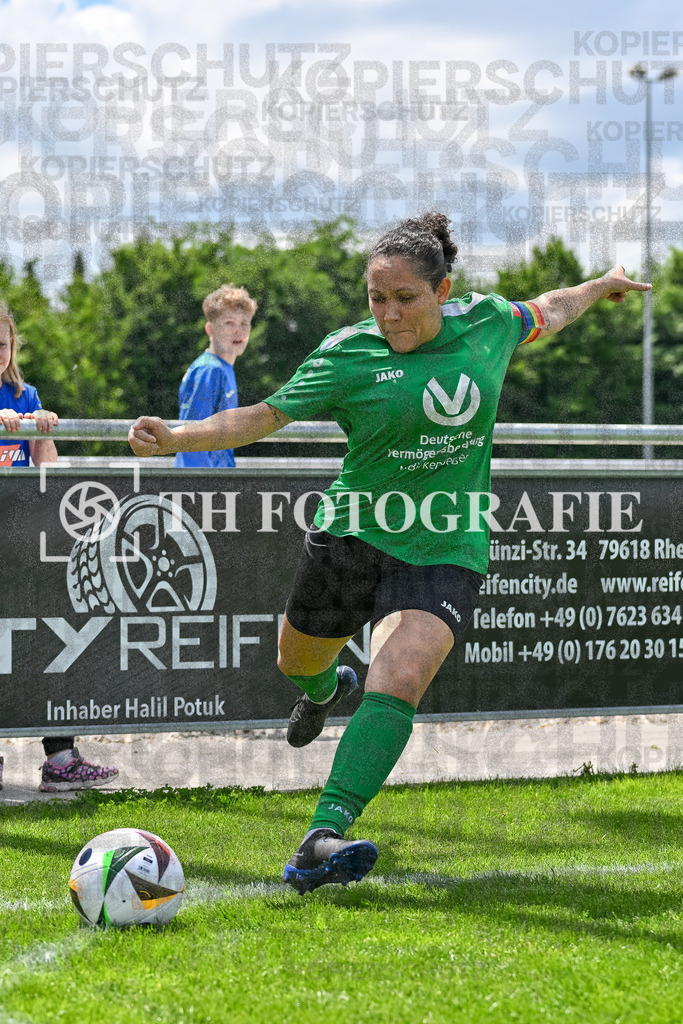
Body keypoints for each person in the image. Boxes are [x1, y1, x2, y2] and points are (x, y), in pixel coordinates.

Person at [128, 212, 651, 893]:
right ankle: (324, 689)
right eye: (378, 299)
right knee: (297, 659)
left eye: (405, 298)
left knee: (400, 675)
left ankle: (322, 836)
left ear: (443, 291)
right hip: (354, 532)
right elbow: (258, 417)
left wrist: (598, 284)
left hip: (446, 540)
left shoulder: (489, 323)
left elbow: (548, 309)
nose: (390, 313)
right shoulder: (347, 353)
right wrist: (177, 437)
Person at [0, 300, 120, 794]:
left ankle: (61, 758)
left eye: (2, 343)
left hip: (23, 541)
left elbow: (48, 472)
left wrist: (40, 429)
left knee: (48, 637)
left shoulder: (25, 394)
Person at [174, 284, 257, 469]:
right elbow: (192, 438)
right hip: (202, 484)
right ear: (210, 329)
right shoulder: (210, 370)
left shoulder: (223, 368)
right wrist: (206, 486)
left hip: (217, 480)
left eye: (244, 324)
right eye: (229, 323)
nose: (238, 331)